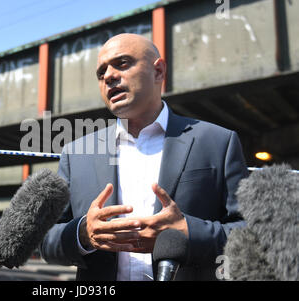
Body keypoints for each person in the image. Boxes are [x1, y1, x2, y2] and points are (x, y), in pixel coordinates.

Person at [40, 33, 248, 281]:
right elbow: (46, 240)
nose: (109, 76)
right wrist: (83, 234)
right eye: (101, 72)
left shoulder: (218, 142)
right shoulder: (76, 154)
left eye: (122, 63)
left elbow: (252, 234)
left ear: (158, 71)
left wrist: (189, 233)